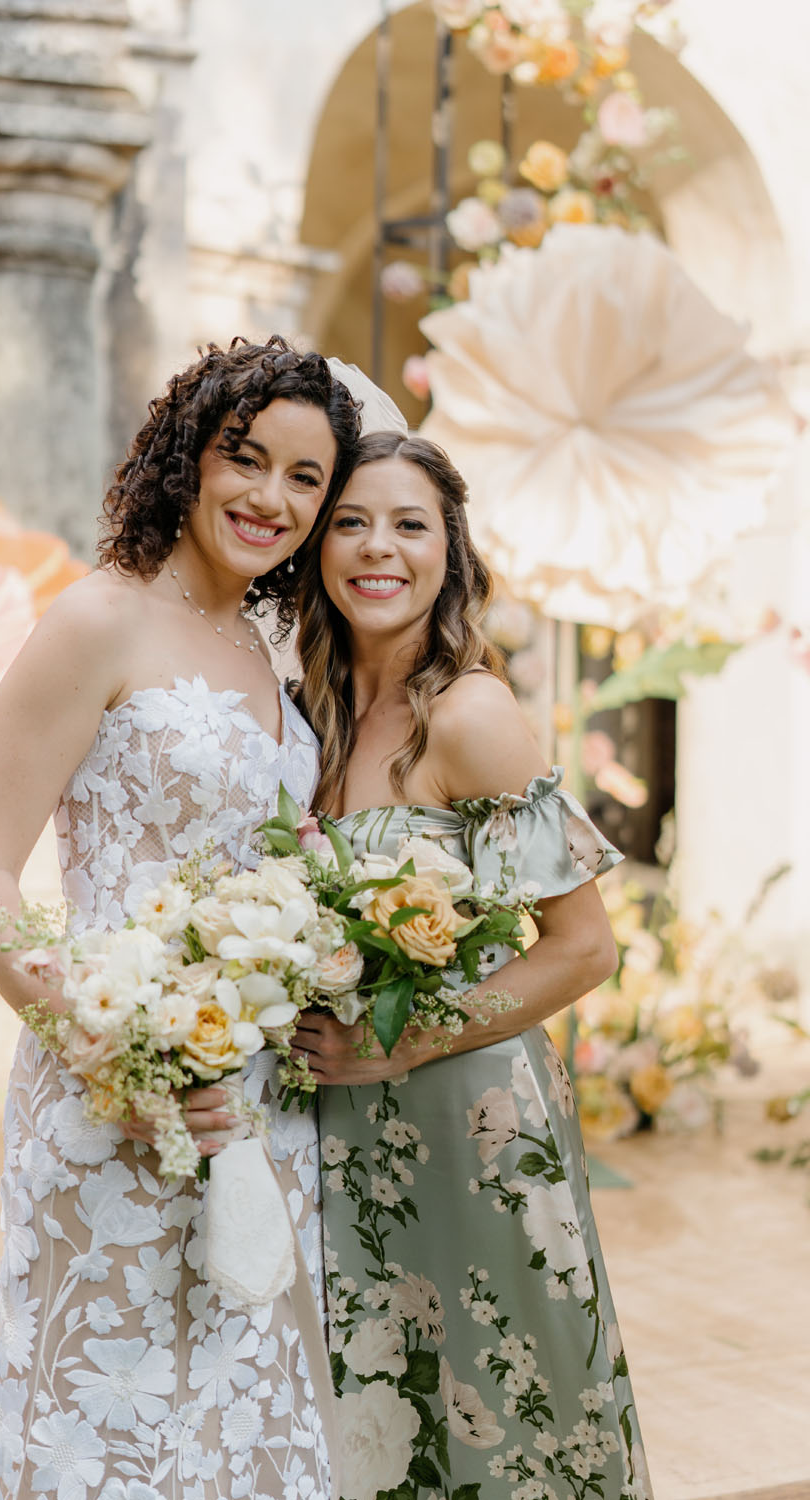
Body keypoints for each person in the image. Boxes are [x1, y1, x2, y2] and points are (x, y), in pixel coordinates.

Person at [0, 337, 360, 1500]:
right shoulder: (95, 623)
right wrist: (109, 1049)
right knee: (110, 1399)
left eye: (305, 479)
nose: (271, 498)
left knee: (234, 1404)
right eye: (248, 459)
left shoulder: (267, 654)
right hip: (109, 1082)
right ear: (189, 457)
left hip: (256, 1097)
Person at [291, 431, 652, 1500]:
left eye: (409, 525)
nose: (376, 549)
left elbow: (584, 948)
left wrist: (399, 1041)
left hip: (473, 1120)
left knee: (507, 1420)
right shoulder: (301, 715)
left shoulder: (472, 714)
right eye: (351, 521)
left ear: (451, 552)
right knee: (384, 1425)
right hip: (343, 1130)